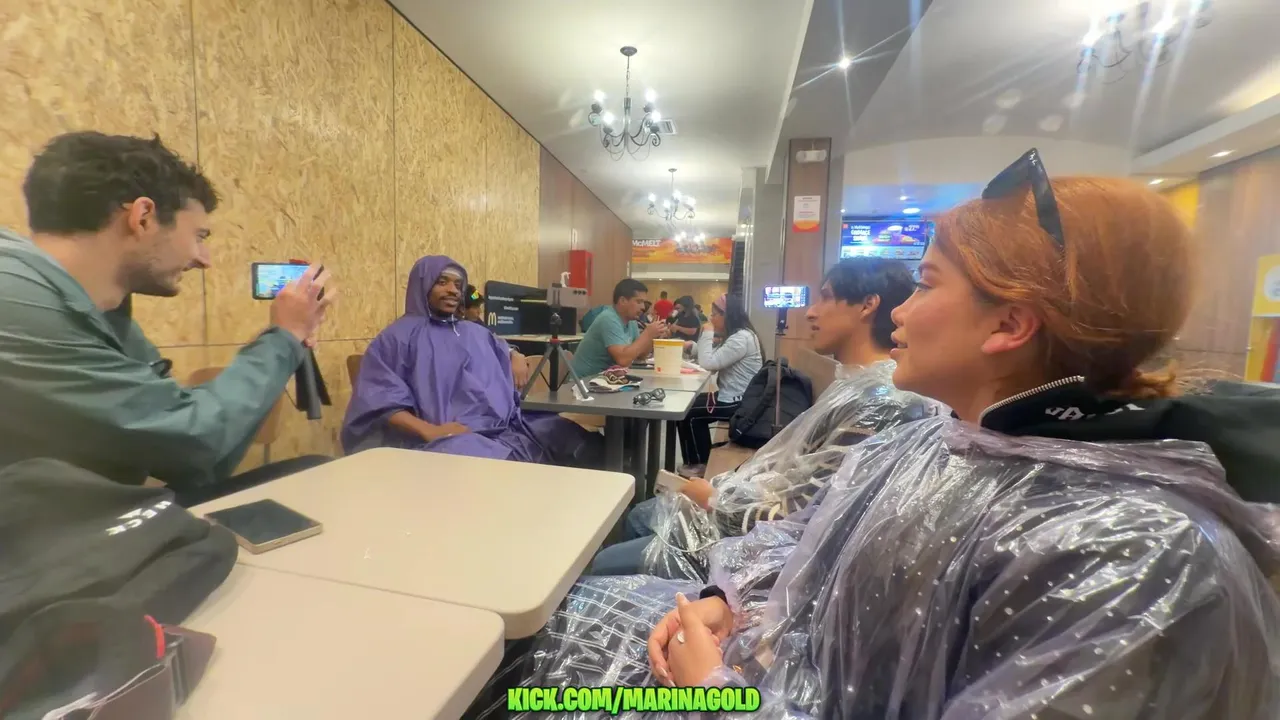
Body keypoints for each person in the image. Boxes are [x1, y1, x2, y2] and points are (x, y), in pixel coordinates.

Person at [468, 158, 1280, 719]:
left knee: (514, 676)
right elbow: (804, 544)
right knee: (520, 642)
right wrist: (727, 601)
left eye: (925, 285)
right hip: (745, 667)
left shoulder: (1139, 556)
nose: (901, 313)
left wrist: (715, 693)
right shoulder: (942, 444)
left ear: (1009, 324)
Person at [0, 131, 333, 506]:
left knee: (313, 471)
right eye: (198, 236)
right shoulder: (14, 300)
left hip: (74, 518)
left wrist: (282, 340)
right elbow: (194, 438)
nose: (203, 259)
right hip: (40, 536)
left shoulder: (101, 310)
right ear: (143, 217)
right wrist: (284, 337)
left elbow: (197, 461)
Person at [588, 258, 938, 579]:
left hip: (762, 556)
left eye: (825, 297)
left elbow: (809, 521)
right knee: (643, 514)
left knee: (610, 554)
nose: (811, 312)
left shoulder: (879, 403)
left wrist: (714, 499)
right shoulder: (856, 386)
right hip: (755, 518)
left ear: (867, 305)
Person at [341, 255, 587, 463]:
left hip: (505, 428)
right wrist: (430, 431)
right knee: (493, 461)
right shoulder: (396, 339)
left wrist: (515, 355)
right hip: (446, 440)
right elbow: (380, 402)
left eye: (458, 285)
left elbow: (498, 346)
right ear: (422, 285)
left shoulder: (472, 331)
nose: (453, 290)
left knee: (569, 436)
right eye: (442, 282)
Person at [673, 294, 763, 477]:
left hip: (738, 402)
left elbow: (709, 363)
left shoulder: (741, 338)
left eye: (714, 314)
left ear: (726, 315)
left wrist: (706, 333)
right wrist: (692, 346)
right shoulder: (739, 335)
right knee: (687, 406)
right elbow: (716, 355)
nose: (711, 318)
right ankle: (693, 462)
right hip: (732, 396)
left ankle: (702, 465)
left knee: (690, 414)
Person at [571, 278, 667, 377]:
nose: (643, 307)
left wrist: (652, 336)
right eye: (639, 302)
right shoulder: (608, 318)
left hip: (606, 378)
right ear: (622, 301)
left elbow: (640, 356)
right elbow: (623, 360)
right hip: (585, 381)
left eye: (644, 303)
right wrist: (647, 334)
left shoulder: (631, 321)